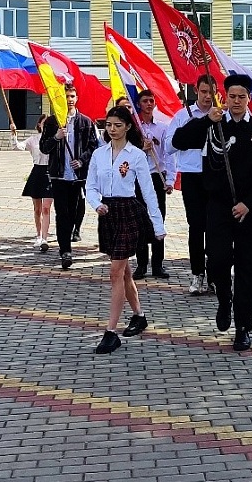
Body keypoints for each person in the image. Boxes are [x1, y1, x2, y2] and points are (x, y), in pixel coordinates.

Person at [172, 74, 252, 352]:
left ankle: (243, 326)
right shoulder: (212, 125)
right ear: (225, 97)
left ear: (248, 99)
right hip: (218, 206)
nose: (237, 101)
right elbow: (179, 140)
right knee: (217, 259)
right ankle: (223, 299)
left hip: (249, 209)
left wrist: (249, 202)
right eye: (232, 96)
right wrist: (208, 120)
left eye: (242, 97)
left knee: (247, 268)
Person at [87, 106, 166, 354]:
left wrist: (158, 224)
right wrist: (96, 204)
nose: (112, 129)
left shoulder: (136, 156)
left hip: (129, 212)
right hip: (108, 214)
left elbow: (149, 191)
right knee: (124, 273)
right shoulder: (98, 155)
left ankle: (111, 332)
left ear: (128, 126)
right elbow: (89, 186)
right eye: (108, 125)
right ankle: (139, 315)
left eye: (117, 125)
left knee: (115, 271)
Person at [166, 74, 216, 296]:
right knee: (196, 227)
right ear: (196, 90)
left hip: (215, 176)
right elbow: (169, 146)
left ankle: (215, 274)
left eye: (211, 92)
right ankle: (198, 272)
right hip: (192, 176)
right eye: (204, 91)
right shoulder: (183, 116)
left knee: (216, 227)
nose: (207, 96)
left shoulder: (220, 116)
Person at [39, 84, 99, 270]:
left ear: (77, 98)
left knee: (72, 213)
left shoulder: (86, 122)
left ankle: (70, 235)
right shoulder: (51, 122)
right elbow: (43, 148)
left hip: (77, 177)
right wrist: (56, 137)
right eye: (66, 96)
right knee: (62, 213)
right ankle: (65, 251)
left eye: (72, 96)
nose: (70, 99)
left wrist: (81, 160)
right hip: (58, 176)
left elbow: (93, 147)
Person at [133, 88, 175, 280]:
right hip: (139, 178)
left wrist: (170, 180)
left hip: (157, 176)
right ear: (139, 104)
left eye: (151, 101)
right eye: (145, 101)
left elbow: (169, 155)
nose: (148, 104)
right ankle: (141, 264)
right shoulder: (134, 128)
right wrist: (142, 148)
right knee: (140, 221)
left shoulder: (162, 127)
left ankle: (158, 265)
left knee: (158, 220)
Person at [11, 115, 53, 253]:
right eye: (43, 123)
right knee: (37, 209)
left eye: (47, 123)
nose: (44, 125)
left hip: (50, 173)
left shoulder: (54, 139)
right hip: (37, 172)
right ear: (39, 125)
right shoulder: (33, 139)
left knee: (46, 207)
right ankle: (39, 235)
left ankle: (46, 237)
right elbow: (18, 147)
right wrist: (13, 134)